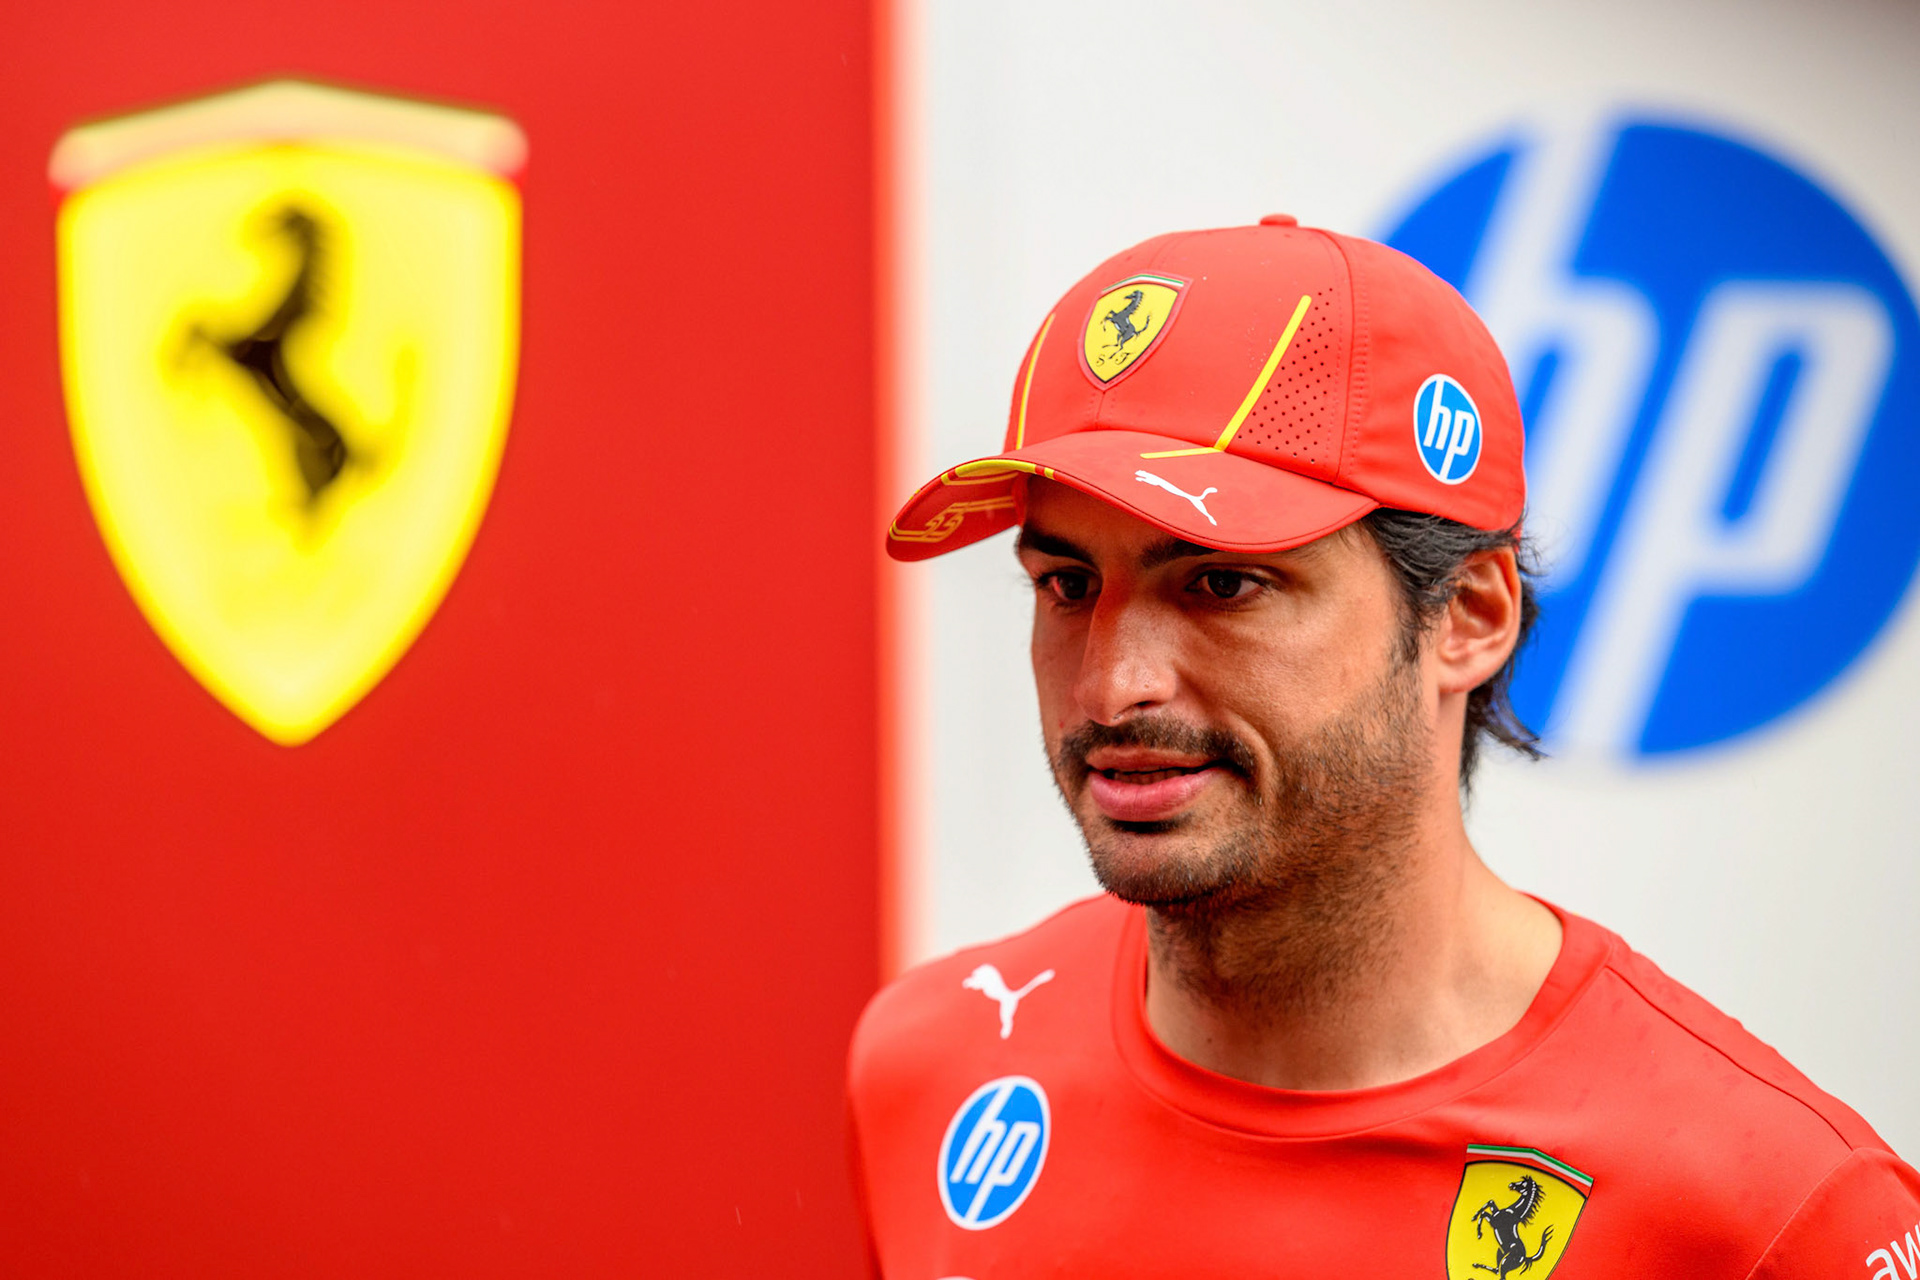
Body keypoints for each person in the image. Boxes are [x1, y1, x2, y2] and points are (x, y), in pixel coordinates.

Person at [847, 215, 1920, 1277]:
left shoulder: (1775, 1215)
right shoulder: (929, 1062)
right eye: (1068, 583)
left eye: (1222, 581)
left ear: (1468, 614)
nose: (1111, 684)